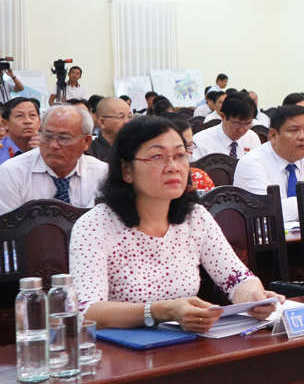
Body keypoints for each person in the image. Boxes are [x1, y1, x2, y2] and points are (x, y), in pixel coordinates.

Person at [68, 115, 282, 332]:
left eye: (180, 155)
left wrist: (253, 298)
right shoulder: (94, 226)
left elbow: (237, 278)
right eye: (158, 156)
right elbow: (87, 311)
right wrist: (160, 311)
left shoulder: (195, 217)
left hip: (185, 344)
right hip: (122, 354)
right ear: (126, 170)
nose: (173, 167)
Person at [0, 104, 107, 214]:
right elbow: (7, 228)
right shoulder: (12, 172)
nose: (53, 145)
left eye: (64, 138)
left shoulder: (101, 174)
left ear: (86, 142)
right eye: (47, 136)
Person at [234, 105, 304, 221]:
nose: (302, 137)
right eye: (294, 130)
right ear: (273, 135)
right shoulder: (252, 163)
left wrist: (289, 205)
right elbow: (269, 211)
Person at [191, 93, 261, 160]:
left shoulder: (252, 138)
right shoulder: (200, 142)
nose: (241, 130)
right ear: (222, 116)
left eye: (247, 124)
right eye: (236, 124)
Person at [86, 97, 131, 161]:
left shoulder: (134, 147)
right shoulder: (89, 151)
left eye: (129, 117)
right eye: (121, 116)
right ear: (102, 122)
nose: (127, 121)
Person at [0, 97, 40, 164]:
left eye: (32, 115)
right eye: (19, 116)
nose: (28, 121)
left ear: (40, 121)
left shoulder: (48, 150)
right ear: (5, 124)